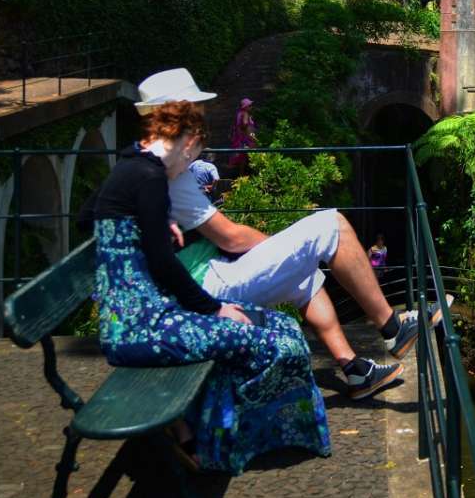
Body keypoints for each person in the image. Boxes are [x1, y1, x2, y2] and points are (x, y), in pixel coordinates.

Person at [132, 69, 435, 401]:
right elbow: (229, 237)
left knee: (304, 271)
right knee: (331, 225)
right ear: (179, 116)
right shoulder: (171, 175)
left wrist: (283, 252)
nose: (202, 120)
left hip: (199, 273)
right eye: (196, 112)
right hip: (202, 285)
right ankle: (392, 327)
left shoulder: (152, 161)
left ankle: (355, 370)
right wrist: (277, 247)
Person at [80, 101, 331, 473]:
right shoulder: (149, 177)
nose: (190, 167)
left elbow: (90, 215)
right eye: (194, 155)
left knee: (280, 325)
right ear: (188, 142)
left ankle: (212, 434)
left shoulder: (133, 167)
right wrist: (214, 308)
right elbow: (165, 266)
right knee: (275, 339)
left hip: (137, 318)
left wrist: (151, 226)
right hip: (141, 326)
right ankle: (234, 443)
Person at [229, 97, 258, 172]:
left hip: (240, 138)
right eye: (250, 105)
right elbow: (245, 124)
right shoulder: (245, 113)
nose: (251, 107)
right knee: (252, 155)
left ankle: (241, 174)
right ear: (246, 107)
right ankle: (252, 173)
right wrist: (250, 134)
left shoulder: (239, 113)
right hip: (246, 138)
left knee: (243, 157)